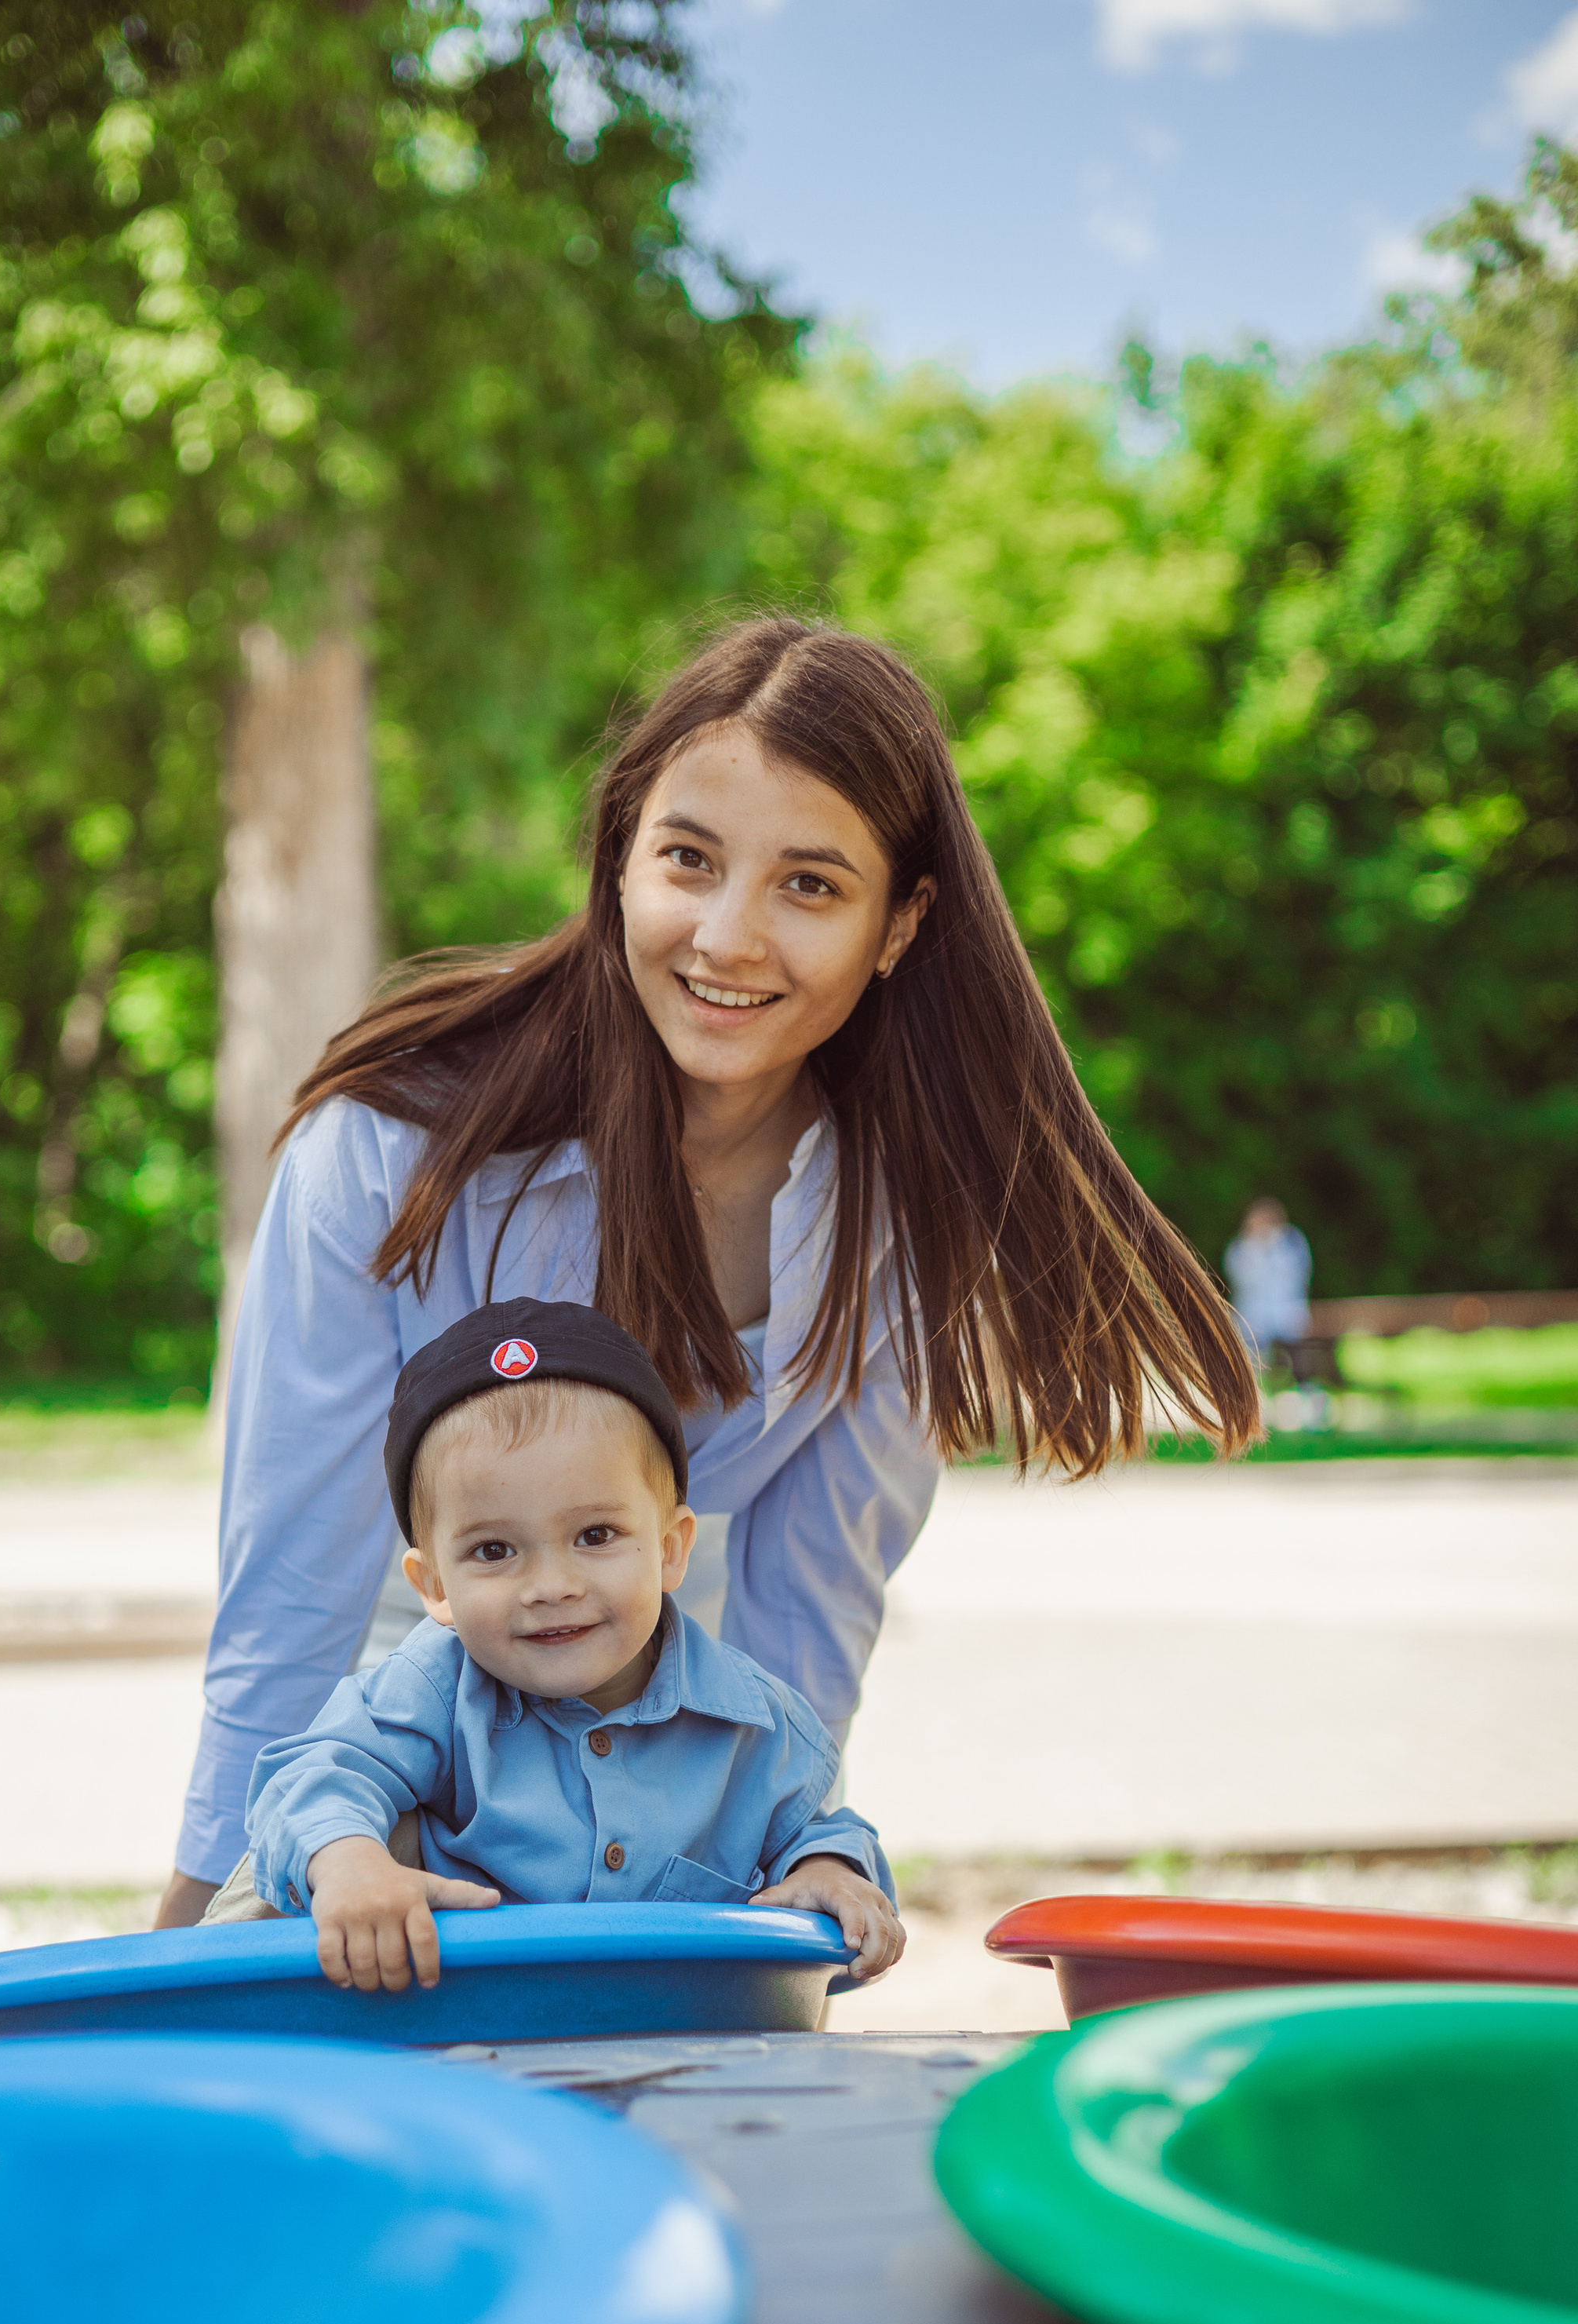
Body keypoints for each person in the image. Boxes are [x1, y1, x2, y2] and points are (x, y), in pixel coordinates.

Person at [158, 616, 1259, 1928]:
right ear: (620, 857)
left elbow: (806, 1618)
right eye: (689, 859)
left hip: (674, 1687)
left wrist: (789, 1893)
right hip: (398, 1690)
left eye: (810, 885)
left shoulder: (900, 1220)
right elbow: (293, 1605)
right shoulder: (394, 1155)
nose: (727, 940)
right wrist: (190, 1937)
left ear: (899, 924)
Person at [231, 1300, 904, 1994]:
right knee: (300, 1864)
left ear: (671, 1550)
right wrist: (347, 1862)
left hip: (675, 2049)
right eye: (494, 1550)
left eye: (595, 1536)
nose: (551, 1585)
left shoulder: (751, 1720)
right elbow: (312, 1774)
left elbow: (821, 1830)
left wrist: (828, 1873)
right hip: (461, 2040)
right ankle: (208, 2043)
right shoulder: (437, 1688)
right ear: (433, 1586)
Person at [1223, 1198, 1313, 1368]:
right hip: (1254, 1313)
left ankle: (1301, 1384)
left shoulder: (1291, 1243)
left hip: (1287, 1309)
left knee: (1295, 1352)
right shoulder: (1241, 1247)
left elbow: (1298, 1273)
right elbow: (1240, 1278)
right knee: (1253, 1356)